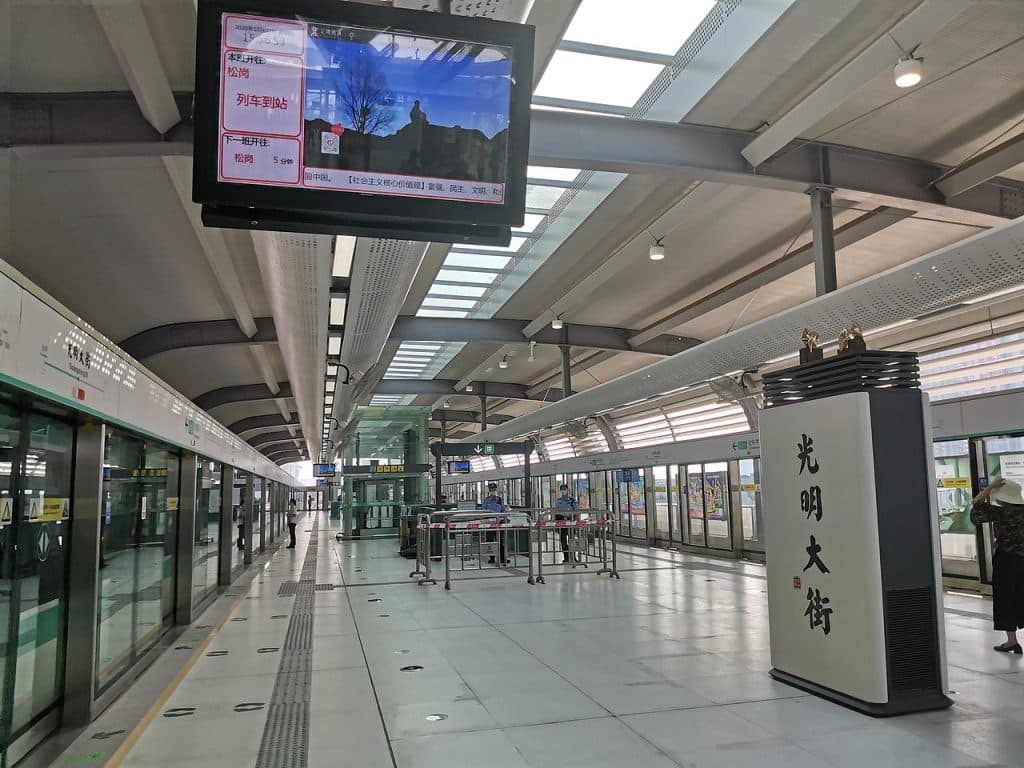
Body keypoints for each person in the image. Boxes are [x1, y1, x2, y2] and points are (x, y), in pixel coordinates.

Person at [971, 478, 1024, 653]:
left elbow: (975, 506)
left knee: (1006, 597)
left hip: (1006, 560)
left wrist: (989, 488)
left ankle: (1011, 641)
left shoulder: (1001, 512)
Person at [481, 483, 508, 565]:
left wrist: (503, 518)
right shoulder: (486, 500)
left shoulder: (500, 500)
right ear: (489, 490)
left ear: (496, 489)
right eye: (491, 489)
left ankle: (502, 558)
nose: (493, 490)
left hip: (499, 523)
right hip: (489, 524)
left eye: (494, 489)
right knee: (490, 540)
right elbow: (483, 510)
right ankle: (491, 558)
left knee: (500, 541)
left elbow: (503, 510)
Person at [555, 484, 579, 563]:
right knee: (563, 540)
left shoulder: (572, 500)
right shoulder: (559, 501)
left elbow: (576, 510)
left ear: (568, 490)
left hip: (571, 521)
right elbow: (558, 510)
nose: (563, 491)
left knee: (572, 540)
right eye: (562, 489)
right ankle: (566, 557)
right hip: (562, 522)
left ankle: (573, 557)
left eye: (564, 489)